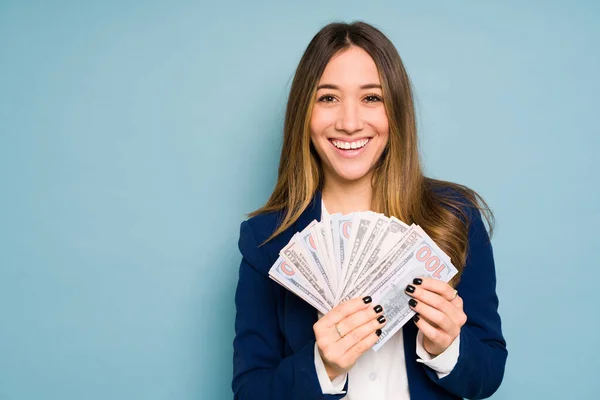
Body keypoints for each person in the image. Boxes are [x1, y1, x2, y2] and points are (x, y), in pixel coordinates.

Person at [232, 21, 507, 400]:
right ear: (303, 113)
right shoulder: (266, 240)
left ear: (396, 111)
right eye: (327, 98)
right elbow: (250, 391)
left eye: (371, 98)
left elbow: (488, 375)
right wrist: (322, 365)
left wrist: (446, 347)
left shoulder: (454, 217)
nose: (349, 123)